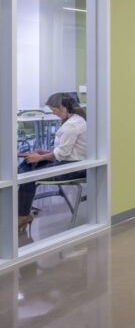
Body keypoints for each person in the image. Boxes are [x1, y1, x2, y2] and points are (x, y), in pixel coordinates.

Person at [17, 93, 88, 231]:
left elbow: (63, 153)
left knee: (27, 175)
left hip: (74, 168)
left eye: (54, 110)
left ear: (64, 108)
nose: (53, 113)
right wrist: (44, 152)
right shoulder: (75, 120)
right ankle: (23, 209)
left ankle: (23, 214)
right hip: (70, 162)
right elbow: (64, 150)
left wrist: (40, 157)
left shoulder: (72, 125)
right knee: (27, 165)